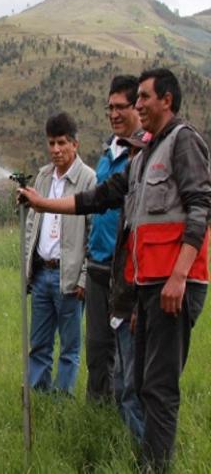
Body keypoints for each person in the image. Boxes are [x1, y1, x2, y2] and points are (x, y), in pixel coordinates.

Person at [18, 68, 210, 472]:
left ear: (167, 101)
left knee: (158, 387)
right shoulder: (142, 157)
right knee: (138, 383)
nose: (137, 105)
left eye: (143, 98)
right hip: (144, 286)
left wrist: (179, 276)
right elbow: (100, 197)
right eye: (134, 99)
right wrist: (44, 204)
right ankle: (149, 461)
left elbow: (201, 207)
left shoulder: (183, 141)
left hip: (174, 286)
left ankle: (156, 467)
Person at [84, 75, 144, 439]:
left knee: (126, 360)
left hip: (127, 273)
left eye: (121, 107)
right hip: (96, 268)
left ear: (138, 107)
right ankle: (96, 420)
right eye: (110, 107)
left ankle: (131, 430)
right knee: (96, 350)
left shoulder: (142, 156)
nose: (114, 114)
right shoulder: (107, 155)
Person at [24, 112, 95, 395]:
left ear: (75, 144)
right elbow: (32, 223)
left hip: (69, 278)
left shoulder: (88, 179)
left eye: (62, 143)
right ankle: (38, 394)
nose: (55, 150)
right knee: (39, 343)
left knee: (69, 347)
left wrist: (84, 277)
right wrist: (28, 266)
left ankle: (62, 400)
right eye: (51, 143)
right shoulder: (42, 177)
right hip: (42, 274)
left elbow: (92, 232)